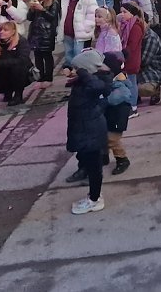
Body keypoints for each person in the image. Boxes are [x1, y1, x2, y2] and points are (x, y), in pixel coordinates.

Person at [63, 49, 112, 214]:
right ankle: (93, 195)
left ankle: (95, 199)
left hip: (91, 131)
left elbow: (99, 87)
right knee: (91, 166)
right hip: (85, 129)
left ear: (87, 69)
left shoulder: (95, 82)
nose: (75, 71)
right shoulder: (86, 81)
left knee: (94, 167)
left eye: (78, 68)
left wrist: (83, 73)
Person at [0, 21, 32, 106]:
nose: (1, 32)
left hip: (21, 72)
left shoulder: (21, 41)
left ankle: (18, 95)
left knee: (16, 69)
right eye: (1, 30)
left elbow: (22, 60)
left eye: (5, 30)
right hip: (4, 72)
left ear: (13, 31)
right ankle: (7, 91)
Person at [57, 0, 98, 70]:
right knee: (68, 54)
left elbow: (92, 14)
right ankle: (71, 72)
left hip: (80, 32)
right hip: (68, 30)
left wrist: (86, 27)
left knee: (78, 54)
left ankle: (79, 72)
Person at [27, 0, 60, 86]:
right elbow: (29, 18)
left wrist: (42, 9)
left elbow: (52, 17)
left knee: (47, 56)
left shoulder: (53, 3)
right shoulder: (36, 2)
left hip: (47, 33)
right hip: (35, 33)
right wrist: (32, 9)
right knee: (37, 57)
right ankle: (40, 77)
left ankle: (48, 78)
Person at [118, 3, 147, 116]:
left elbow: (132, 45)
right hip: (127, 58)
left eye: (125, 12)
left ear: (132, 13)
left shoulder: (135, 27)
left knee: (131, 82)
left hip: (131, 59)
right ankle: (130, 105)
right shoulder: (126, 25)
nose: (122, 14)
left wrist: (123, 54)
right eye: (121, 12)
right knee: (128, 82)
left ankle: (133, 107)